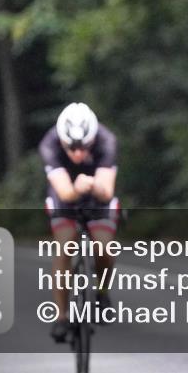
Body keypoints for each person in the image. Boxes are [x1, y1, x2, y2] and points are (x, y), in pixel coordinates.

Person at [40, 102, 119, 343]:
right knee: (65, 246)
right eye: (71, 148)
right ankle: (62, 316)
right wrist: (77, 187)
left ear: (93, 138)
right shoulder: (49, 143)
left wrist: (93, 185)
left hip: (97, 197)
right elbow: (64, 193)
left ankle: (102, 292)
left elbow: (106, 192)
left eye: (84, 147)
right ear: (62, 141)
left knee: (104, 246)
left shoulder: (107, 141)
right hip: (65, 196)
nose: (77, 154)